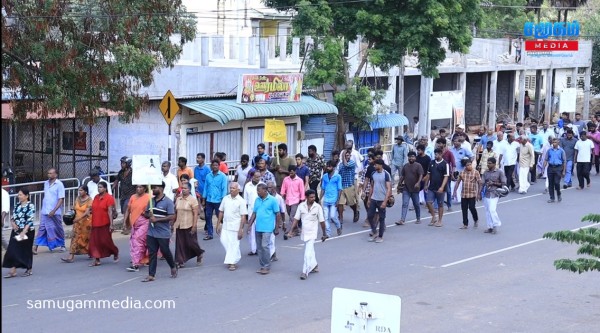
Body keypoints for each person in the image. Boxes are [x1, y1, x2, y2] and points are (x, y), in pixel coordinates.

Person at [142, 182, 177, 282]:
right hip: (151, 232)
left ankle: (173, 265)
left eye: (155, 188)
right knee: (152, 253)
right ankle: (151, 275)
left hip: (163, 232)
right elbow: (146, 213)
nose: (152, 190)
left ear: (161, 189)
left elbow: (172, 216)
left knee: (165, 251)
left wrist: (156, 220)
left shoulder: (168, 202)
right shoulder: (151, 201)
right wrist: (147, 214)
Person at [287, 189, 326, 280]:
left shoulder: (318, 207)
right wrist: (291, 231)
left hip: (312, 232)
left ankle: (305, 271)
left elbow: (322, 221)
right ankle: (314, 265)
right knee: (310, 250)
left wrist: (324, 233)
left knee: (307, 253)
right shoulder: (301, 206)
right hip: (304, 232)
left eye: (314, 197)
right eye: (311, 197)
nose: (313, 198)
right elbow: (296, 219)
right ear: (306, 198)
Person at [246, 183, 281, 275]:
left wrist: (277, 228)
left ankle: (266, 266)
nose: (257, 192)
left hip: (268, 228)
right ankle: (262, 265)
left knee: (265, 246)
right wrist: (249, 225)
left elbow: (278, 214)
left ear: (265, 191)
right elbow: (254, 213)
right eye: (257, 190)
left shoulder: (273, 200)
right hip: (258, 227)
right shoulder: (257, 200)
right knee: (259, 247)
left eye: (259, 190)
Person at [3, 189, 35, 278]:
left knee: (26, 250)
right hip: (16, 231)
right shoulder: (17, 205)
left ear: (26, 196)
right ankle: (13, 270)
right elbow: (13, 217)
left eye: (20, 195)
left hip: (27, 231)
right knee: (12, 249)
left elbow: (30, 220)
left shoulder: (30, 206)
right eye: (18, 195)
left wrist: (24, 231)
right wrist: (13, 223)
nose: (19, 196)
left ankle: (29, 269)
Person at [33, 168, 66, 254]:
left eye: (51, 173)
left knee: (58, 228)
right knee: (42, 228)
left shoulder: (59, 184)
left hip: (55, 212)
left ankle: (62, 245)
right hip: (45, 211)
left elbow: (61, 199)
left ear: (56, 175)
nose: (49, 175)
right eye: (48, 173)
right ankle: (35, 247)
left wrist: (54, 210)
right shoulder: (46, 183)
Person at [216, 182, 247, 271]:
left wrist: (241, 229)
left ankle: (232, 262)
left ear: (238, 190)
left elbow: (243, 216)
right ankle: (235, 256)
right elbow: (221, 211)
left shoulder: (241, 201)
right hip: (225, 225)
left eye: (233, 188)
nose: (231, 189)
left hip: (235, 226)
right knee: (224, 241)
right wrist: (218, 224)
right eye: (230, 188)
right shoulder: (226, 198)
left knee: (234, 244)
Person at [87, 182, 119, 267]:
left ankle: (115, 251)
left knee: (105, 241)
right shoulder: (96, 197)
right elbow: (93, 208)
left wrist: (111, 224)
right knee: (94, 242)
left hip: (104, 223)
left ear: (105, 188)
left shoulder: (109, 198)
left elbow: (110, 211)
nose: (99, 189)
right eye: (98, 187)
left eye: (101, 187)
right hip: (95, 223)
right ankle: (97, 259)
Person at [173, 183, 204, 268]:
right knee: (180, 244)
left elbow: (195, 214)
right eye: (182, 188)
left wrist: (194, 226)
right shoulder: (178, 199)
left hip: (189, 224)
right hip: (179, 224)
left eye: (185, 188)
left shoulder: (193, 200)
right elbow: (175, 212)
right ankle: (180, 261)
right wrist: (172, 223)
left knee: (191, 243)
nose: (183, 189)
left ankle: (199, 253)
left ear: (189, 190)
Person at [61, 185, 92, 263]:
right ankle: (71, 256)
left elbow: (86, 212)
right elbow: (74, 208)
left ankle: (91, 251)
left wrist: (78, 219)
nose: (80, 192)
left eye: (81, 190)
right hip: (77, 222)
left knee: (86, 238)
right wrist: (69, 214)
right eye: (79, 190)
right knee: (75, 238)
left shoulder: (89, 200)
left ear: (86, 191)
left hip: (86, 222)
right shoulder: (77, 198)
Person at [123, 185, 151, 272]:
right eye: (137, 187)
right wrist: (125, 222)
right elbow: (128, 209)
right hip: (134, 223)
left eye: (141, 187)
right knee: (137, 242)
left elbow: (151, 210)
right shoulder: (133, 197)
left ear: (145, 188)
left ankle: (135, 264)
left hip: (145, 223)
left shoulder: (149, 197)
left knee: (137, 240)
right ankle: (145, 259)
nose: (138, 189)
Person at [202, 160, 229, 241]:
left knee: (220, 217)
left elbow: (224, 189)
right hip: (209, 200)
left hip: (218, 201)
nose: (215, 167)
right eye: (213, 165)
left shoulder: (223, 176)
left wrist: (223, 200)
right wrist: (204, 199)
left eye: (216, 165)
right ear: (211, 166)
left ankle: (226, 232)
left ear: (219, 166)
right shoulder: (208, 176)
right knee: (208, 217)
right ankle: (210, 234)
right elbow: (205, 188)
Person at [367, 159, 392, 243]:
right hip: (374, 198)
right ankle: (374, 232)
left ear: (381, 165)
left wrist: (385, 201)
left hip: (382, 199)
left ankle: (380, 236)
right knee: (370, 216)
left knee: (381, 218)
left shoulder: (386, 174)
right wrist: (369, 199)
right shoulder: (373, 174)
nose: (375, 166)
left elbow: (388, 188)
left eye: (376, 165)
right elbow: (371, 186)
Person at [396, 151, 423, 225]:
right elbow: (403, 176)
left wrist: (418, 183)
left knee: (416, 204)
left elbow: (421, 175)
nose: (411, 158)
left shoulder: (418, 166)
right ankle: (402, 219)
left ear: (415, 157)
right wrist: (399, 184)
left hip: (415, 189)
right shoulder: (405, 166)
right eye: (409, 156)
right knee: (405, 204)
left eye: (412, 156)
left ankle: (418, 218)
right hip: (406, 188)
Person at [453, 158, 481, 229]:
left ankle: (476, 219)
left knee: (472, 208)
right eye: (467, 165)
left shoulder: (476, 172)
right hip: (464, 194)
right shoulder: (462, 173)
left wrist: (478, 193)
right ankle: (465, 224)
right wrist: (454, 192)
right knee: (464, 209)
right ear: (465, 166)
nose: (469, 166)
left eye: (470, 164)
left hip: (472, 194)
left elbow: (479, 183)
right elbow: (458, 182)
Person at [425, 148, 450, 227]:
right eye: (435, 154)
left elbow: (446, 177)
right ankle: (433, 216)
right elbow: (428, 174)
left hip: (440, 187)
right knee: (428, 202)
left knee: (440, 204)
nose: (435, 155)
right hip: (432, 186)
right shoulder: (431, 163)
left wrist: (442, 187)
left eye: (437, 154)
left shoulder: (445, 164)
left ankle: (440, 220)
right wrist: (426, 184)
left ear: (441, 154)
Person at [482, 157, 506, 234]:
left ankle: (496, 224)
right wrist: (478, 193)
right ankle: (490, 227)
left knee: (492, 210)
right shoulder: (485, 172)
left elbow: (503, 183)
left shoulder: (499, 172)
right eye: (487, 163)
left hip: (495, 193)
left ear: (494, 164)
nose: (488, 164)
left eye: (490, 163)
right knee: (487, 211)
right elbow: (482, 183)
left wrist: (493, 183)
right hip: (486, 193)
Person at [280, 165, 305, 237]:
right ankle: (296, 230)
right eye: (289, 172)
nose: (290, 173)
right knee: (290, 215)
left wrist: (302, 200)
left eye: (292, 172)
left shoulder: (300, 180)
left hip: (296, 201)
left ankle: (288, 232)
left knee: (292, 217)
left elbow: (302, 191)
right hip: (288, 201)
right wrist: (281, 196)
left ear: (295, 172)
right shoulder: (286, 179)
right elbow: (283, 189)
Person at [320, 160, 342, 239]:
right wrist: (320, 199)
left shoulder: (338, 176)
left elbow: (340, 189)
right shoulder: (325, 176)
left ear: (333, 167)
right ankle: (328, 233)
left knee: (333, 216)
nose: (327, 168)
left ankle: (338, 226)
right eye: (327, 166)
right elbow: (323, 188)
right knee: (325, 217)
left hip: (334, 200)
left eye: (329, 166)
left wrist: (338, 200)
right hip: (326, 200)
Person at [113, 156, 135, 235]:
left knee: (127, 209)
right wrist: (112, 188)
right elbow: (116, 180)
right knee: (124, 212)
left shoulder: (133, 172)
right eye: (121, 163)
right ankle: (129, 225)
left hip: (131, 194)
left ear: (128, 164)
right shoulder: (120, 172)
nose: (121, 165)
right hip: (123, 194)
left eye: (123, 163)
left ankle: (127, 227)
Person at [244, 172, 262, 256]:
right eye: (256, 177)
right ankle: (253, 249)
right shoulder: (247, 185)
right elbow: (245, 201)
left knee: (259, 230)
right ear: (252, 177)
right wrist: (245, 214)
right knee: (251, 231)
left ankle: (259, 249)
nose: (257, 178)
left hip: (261, 211)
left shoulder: (262, 185)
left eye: (259, 177)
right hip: (250, 211)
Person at [543, 138, 566, 203]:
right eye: (553, 142)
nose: (554, 144)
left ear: (558, 143)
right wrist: (543, 167)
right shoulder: (549, 150)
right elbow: (546, 159)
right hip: (550, 167)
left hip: (558, 168)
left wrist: (564, 171)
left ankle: (558, 194)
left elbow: (564, 161)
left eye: (555, 142)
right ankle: (552, 197)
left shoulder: (561, 151)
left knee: (556, 183)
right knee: (551, 183)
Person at [266, 182, 285, 261]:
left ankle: (270, 256)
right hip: (266, 220)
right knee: (269, 239)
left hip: (275, 221)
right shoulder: (265, 197)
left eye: (270, 187)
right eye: (267, 187)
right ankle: (273, 255)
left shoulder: (279, 198)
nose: (268, 189)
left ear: (274, 188)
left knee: (271, 239)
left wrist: (283, 223)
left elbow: (282, 211)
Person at [337, 150, 358, 223]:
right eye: (346, 155)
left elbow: (346, 165)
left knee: (351, 203)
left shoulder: (352, 162)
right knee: (340, 203)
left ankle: (355, 211)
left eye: (348, 155)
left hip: (349, 185)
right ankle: (340, 217)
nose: (347, 157)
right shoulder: (340, 164)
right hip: (341, 186)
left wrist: (343, 157)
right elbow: (338, 174)